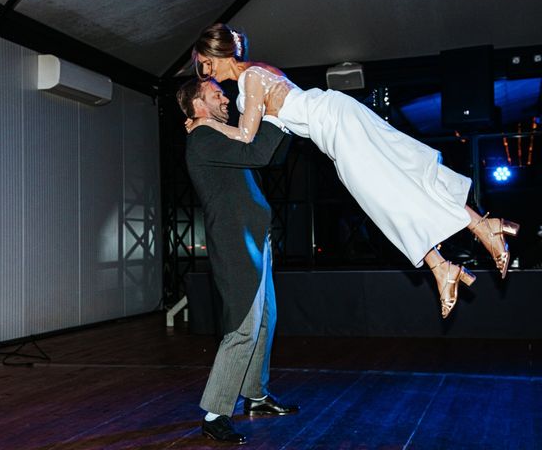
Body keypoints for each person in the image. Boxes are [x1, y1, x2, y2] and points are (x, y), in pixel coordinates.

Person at [189, 23, 520, 319]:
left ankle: (449, 258)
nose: (204, 74)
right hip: (335, 125)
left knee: (385, 192)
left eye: (202, 66)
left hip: (336, 124)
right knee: (402, 176)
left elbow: (248, 137)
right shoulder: (258, 72)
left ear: (212, 57)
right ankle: (473, 235)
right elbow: (267, 138)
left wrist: (206, 124)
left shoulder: (251, 78)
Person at [176, 77, 299, 445]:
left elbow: (269, 153)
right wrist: (274, 114)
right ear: (198, 105)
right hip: (234, 242)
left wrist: (282, 123)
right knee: (244, 326)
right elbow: (258, 153)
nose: (226, 98)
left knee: (264, 322)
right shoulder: (202, 138)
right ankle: (215, 413)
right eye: (217, 94)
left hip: (254, 238)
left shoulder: (221, 134)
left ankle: (256, 396)